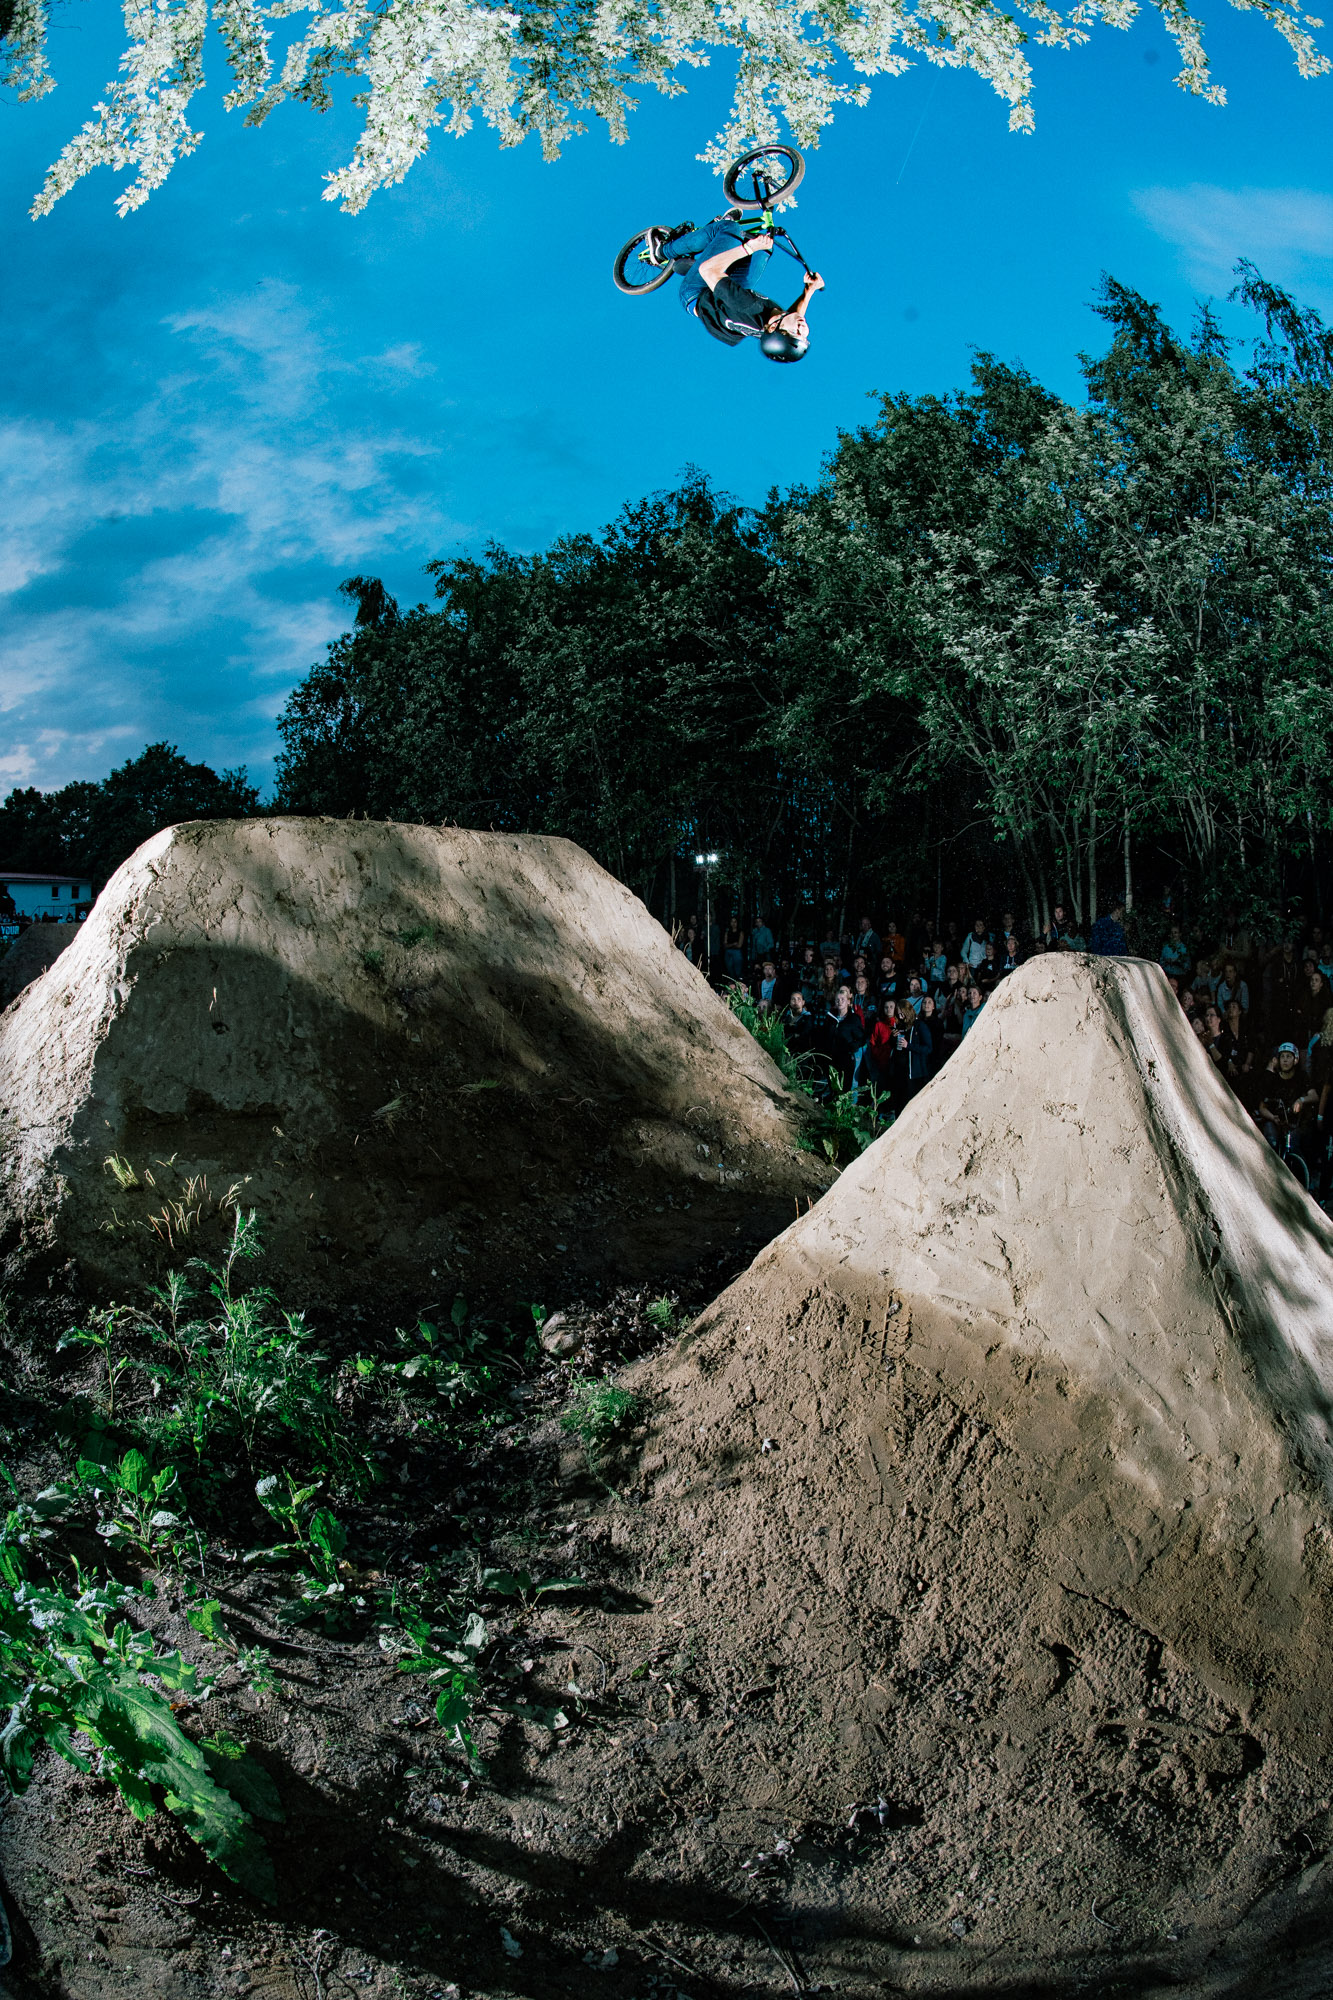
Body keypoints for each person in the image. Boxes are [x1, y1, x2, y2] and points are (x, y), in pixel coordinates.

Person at [650, 218, 825, 359]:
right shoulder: (772, 327)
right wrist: (809, 290)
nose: (803, 328)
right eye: (804, 335)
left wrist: (749, 248)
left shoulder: (746, 304)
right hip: (722, 303)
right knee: (764, 251)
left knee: (729, 229)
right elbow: (795, 316)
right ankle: (704, 259)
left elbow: (707, 270)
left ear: (773, 328)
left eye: (796, 332)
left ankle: (664, 251)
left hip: (696, 291)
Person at [1257, 1043, 1318, 1163]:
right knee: (1272, 1144)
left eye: (1288, 1057)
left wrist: (1301, 1100)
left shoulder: (1302, 1077)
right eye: (1282, 1057)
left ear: (1295, 1060)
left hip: (1296, 1123)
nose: (1285, 1060)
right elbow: (1262, 1108)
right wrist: (1272, 1117)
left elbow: (1314, 1096)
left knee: (1296, 1146)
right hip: (1276, 1122)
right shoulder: (1273, 1080)